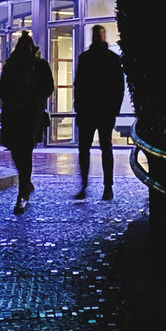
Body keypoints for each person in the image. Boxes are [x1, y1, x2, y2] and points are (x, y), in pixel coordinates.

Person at [0, 31, 54, 214]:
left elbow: (47, 87)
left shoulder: (35, 65)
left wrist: (33, 98)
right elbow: (3, 88)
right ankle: (25, 185)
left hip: (27, 115)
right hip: (21, 114)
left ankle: (23, 192)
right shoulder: (14, 65)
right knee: (20, 152)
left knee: (23, 152)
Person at [73, 25, 124, 201]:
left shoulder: (85, 58)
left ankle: (86, 185)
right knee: (105, 148)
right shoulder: (112, 59)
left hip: (89, 110)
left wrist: (78, 107)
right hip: (104, 111)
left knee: (85, 149)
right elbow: (118, 87)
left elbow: (78, 86)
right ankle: (107, 187)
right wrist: (114, 109)